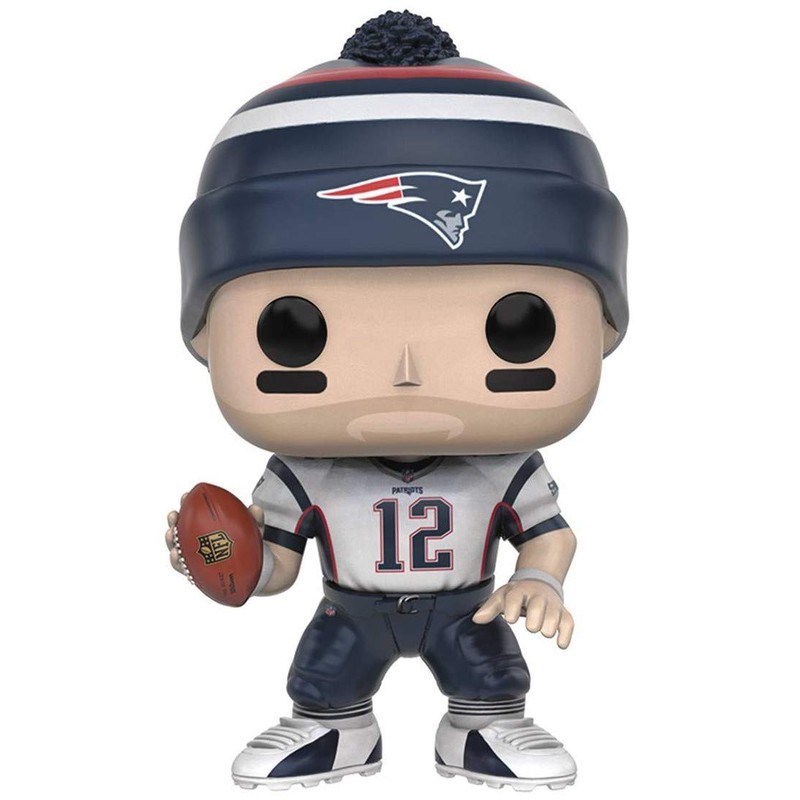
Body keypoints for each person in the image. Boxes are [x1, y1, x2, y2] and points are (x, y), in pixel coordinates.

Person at [166, 10, 628, 791]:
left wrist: (539, 581)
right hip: (349, 608)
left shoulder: (507, 466)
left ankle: (482, 727)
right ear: (208, 335)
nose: (407, 373)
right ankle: (336, 730)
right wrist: (221, 557)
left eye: (516, 325)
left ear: (603, 326)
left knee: (489, 675)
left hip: (468, 608)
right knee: (324, 676)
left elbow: (550, 535)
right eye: (294, 330)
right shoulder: (300, 473)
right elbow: (276, 568)